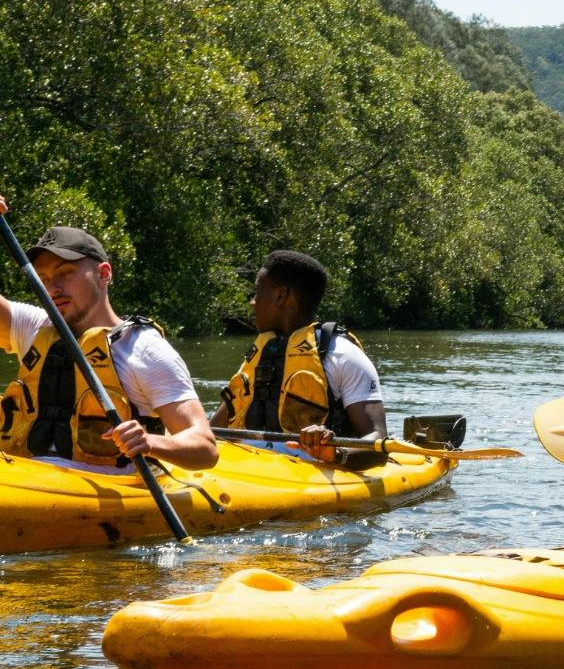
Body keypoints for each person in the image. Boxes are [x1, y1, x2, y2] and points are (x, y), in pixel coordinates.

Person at [0, 198, 218, 471]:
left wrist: (150, 442)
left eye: (65, 273)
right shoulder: (33, 327)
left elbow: (206, 447)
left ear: (104, 274)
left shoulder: (144, 350)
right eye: (43, 279)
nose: (52, 288)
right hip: (27, 481)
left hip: (106, 494)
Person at [213, 250, 385, 464]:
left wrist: (336, 453)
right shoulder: (258, 356)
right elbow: (212, 431)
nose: (252, 302)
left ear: (280, 295)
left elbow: (378, 441)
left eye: (258, 292)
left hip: (310, 473)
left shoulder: (343, 356)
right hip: (248, 469)